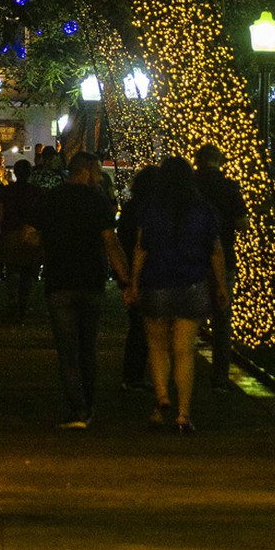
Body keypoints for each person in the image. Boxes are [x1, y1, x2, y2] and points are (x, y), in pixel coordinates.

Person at [30, 149, 133, 427]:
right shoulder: (97, 202)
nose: (99, 177)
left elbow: (31, 235)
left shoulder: (51, 200)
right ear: (86, 171)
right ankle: (89, 402)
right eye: (98, 171)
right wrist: (125, 280)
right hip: (91, 280)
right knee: (88, 346)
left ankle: (78, 408)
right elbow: (111, 243)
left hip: (59, 281)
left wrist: (46, 245)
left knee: (68, 349)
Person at [129, 155, 229, 435]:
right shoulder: (203, 210)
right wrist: (220, 285)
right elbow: (215, 251)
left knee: (157, 347)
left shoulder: (150, 210)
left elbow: (141, 249)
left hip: (156, 283)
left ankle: (161, 395)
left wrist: (134, 283)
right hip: (192, 284)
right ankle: (184, 413)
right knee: (184, 351)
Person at [194, 144, 247, 391]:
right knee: (222, 320)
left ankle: (183, 373)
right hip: (224, 256)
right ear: (220, 161)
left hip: (192, 258)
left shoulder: (190, 185)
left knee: (187, 318)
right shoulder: (229, 187)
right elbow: (242, 223)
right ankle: (220, 377)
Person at [117, 164, 159, 390]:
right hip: (153, 273)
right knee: (151, 328)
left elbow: (123, 239)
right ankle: (141, 376)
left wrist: (124, 277)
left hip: (135, 272)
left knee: (137, 326)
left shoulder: (131, 208)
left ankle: (132, 375)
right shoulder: (157, 210)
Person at [0, 158, 42, 321]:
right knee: (28, 272)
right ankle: (24, 303)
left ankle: (13, 301)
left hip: (11, 231)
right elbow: (39, 214)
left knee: (13, 270)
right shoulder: (36, 191)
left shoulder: (7, 191)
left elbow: (0, 213)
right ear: (30, 174)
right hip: (30, 233)